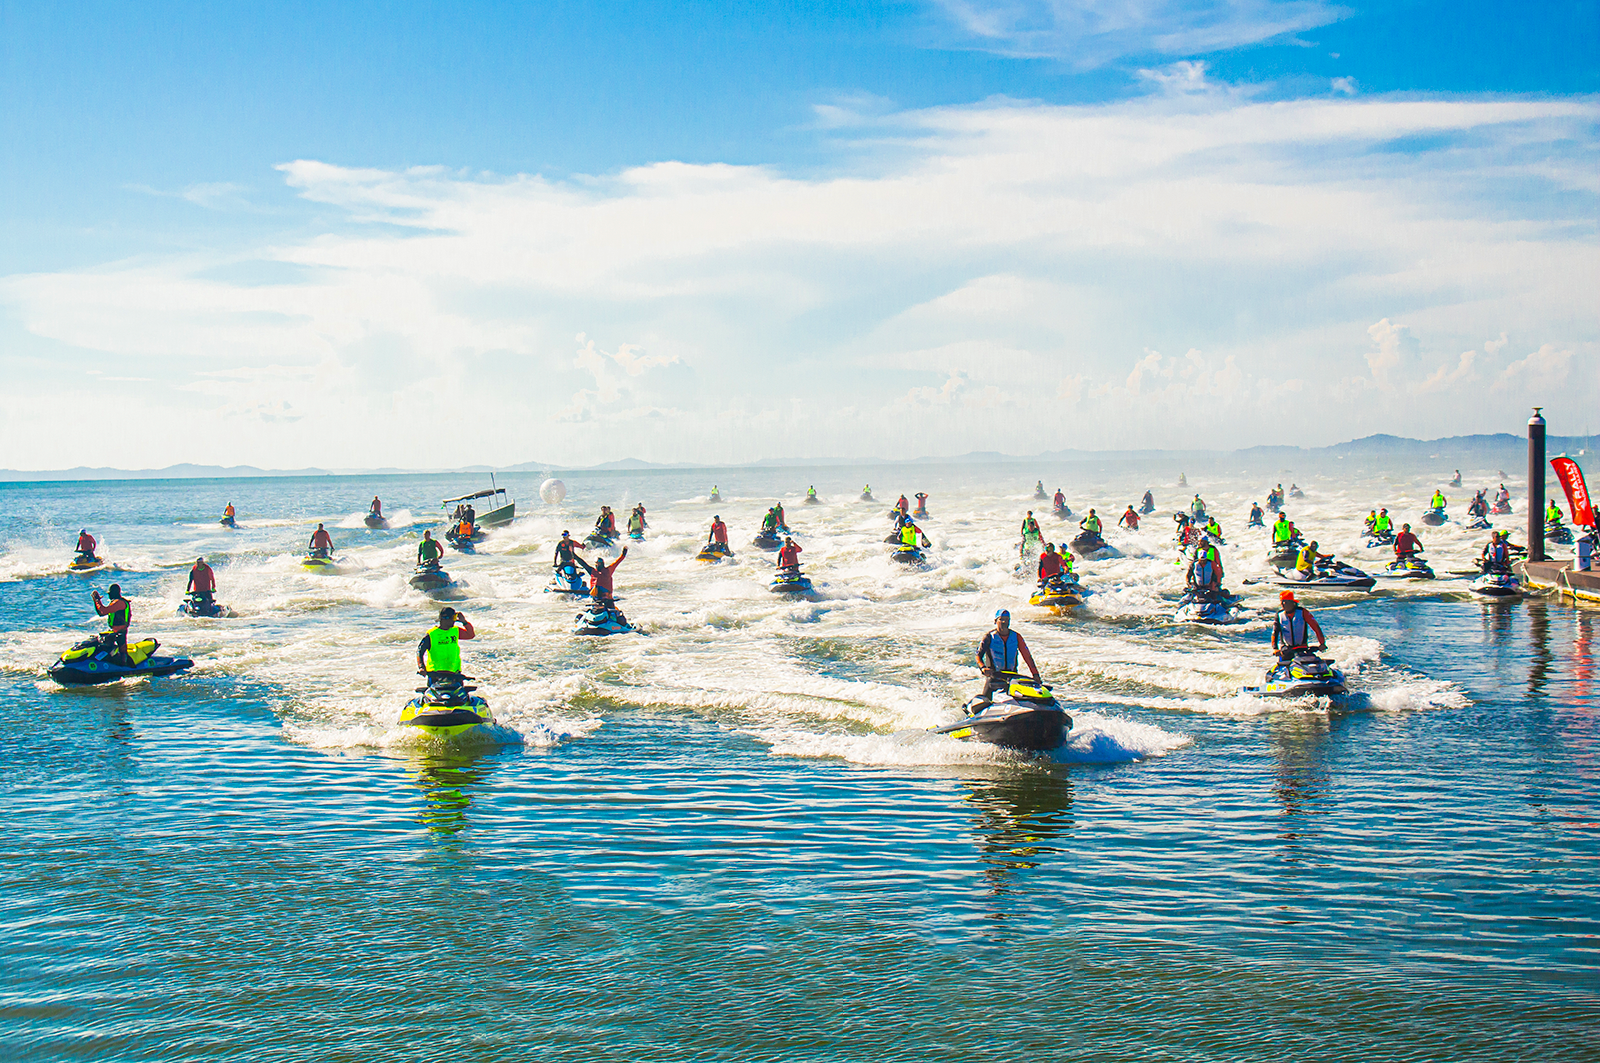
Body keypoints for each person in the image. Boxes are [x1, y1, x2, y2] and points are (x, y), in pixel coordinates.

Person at [975, 609, 1040, 704]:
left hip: (1012, 676)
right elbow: (978, 656)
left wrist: (1035, 675)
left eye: (1007, 619)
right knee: (986, 701)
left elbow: (1027, 657)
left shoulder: (1016, 637)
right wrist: (983, 668)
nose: (1004, 622)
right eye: (1001, 619)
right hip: (994, 676)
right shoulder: (989, 637)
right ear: (995, 621)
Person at [416, 606, 475, 678]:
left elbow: (470, 635)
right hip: (435, 674)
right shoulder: (432, 634)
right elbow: (419, 651)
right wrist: (421, 667)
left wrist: (464, 622)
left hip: (454, 673)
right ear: (445, 618)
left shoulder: (455, 631)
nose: (455, 621)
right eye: (453, 618)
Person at [1271, 591, 1326, 657]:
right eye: (1282, 602)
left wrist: (1322, 643)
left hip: (1302, 648)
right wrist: (1275, 648)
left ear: (1293, 603)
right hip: (1286, 650)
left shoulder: (1303, 612)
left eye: (1286, 602)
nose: (1283, 604)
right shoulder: (1279, 615)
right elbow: (1275, 632)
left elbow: (1316, 627)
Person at [92, 583, 132, 664]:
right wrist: (96, 601)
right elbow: (101, 613)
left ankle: (125, 666)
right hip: (113, 631)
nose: (109, 595)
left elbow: (103, 611)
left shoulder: (119, 602)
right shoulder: (115, 602)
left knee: (122, 652)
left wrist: (97, 600)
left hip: (120, 631)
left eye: (109, 593)